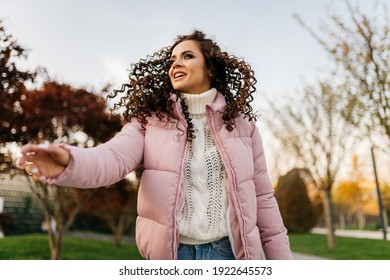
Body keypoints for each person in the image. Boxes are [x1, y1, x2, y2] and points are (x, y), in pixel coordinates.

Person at [17, 30, 292, 260]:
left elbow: (263, 199)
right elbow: (112, 158)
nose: (176, 64)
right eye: (172, 59)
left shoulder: (243, 126)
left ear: (210, 68)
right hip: (173, 256)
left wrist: (284, 266)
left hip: (230, 254)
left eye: (187, 56)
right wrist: (69, 161)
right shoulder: (151, 121)